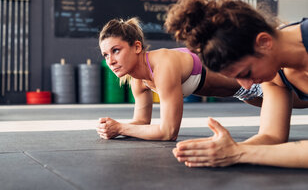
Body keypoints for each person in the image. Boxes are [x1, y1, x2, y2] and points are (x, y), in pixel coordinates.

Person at [96, 17, 305, 142]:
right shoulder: (137, 81)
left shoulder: (163, 64)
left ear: (137, 47)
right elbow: (142, 123)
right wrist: (115, 128)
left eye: (116, 51)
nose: (111, 60)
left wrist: (122, 128)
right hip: (243, 91)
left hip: (258, 75)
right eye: (106, 55)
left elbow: (168, 132)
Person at [165, 0, 308, 168]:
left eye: (246, 73)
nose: (247, 86)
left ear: (264, 42)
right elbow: (272, 136)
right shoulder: (275, 74)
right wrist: (225, 150)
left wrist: (239, 153)